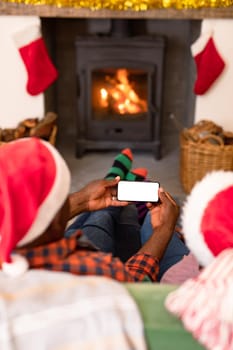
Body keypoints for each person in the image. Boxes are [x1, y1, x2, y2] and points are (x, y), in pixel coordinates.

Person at [0, 137, 184, 282]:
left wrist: (83, 201)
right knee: (110, 214)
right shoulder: (97, 270)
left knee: (102, 210)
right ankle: (117, 178)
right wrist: (163, 230)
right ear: (56, 220)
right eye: (63, 198)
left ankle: (114, 177)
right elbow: (134, 282)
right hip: (100, 247)